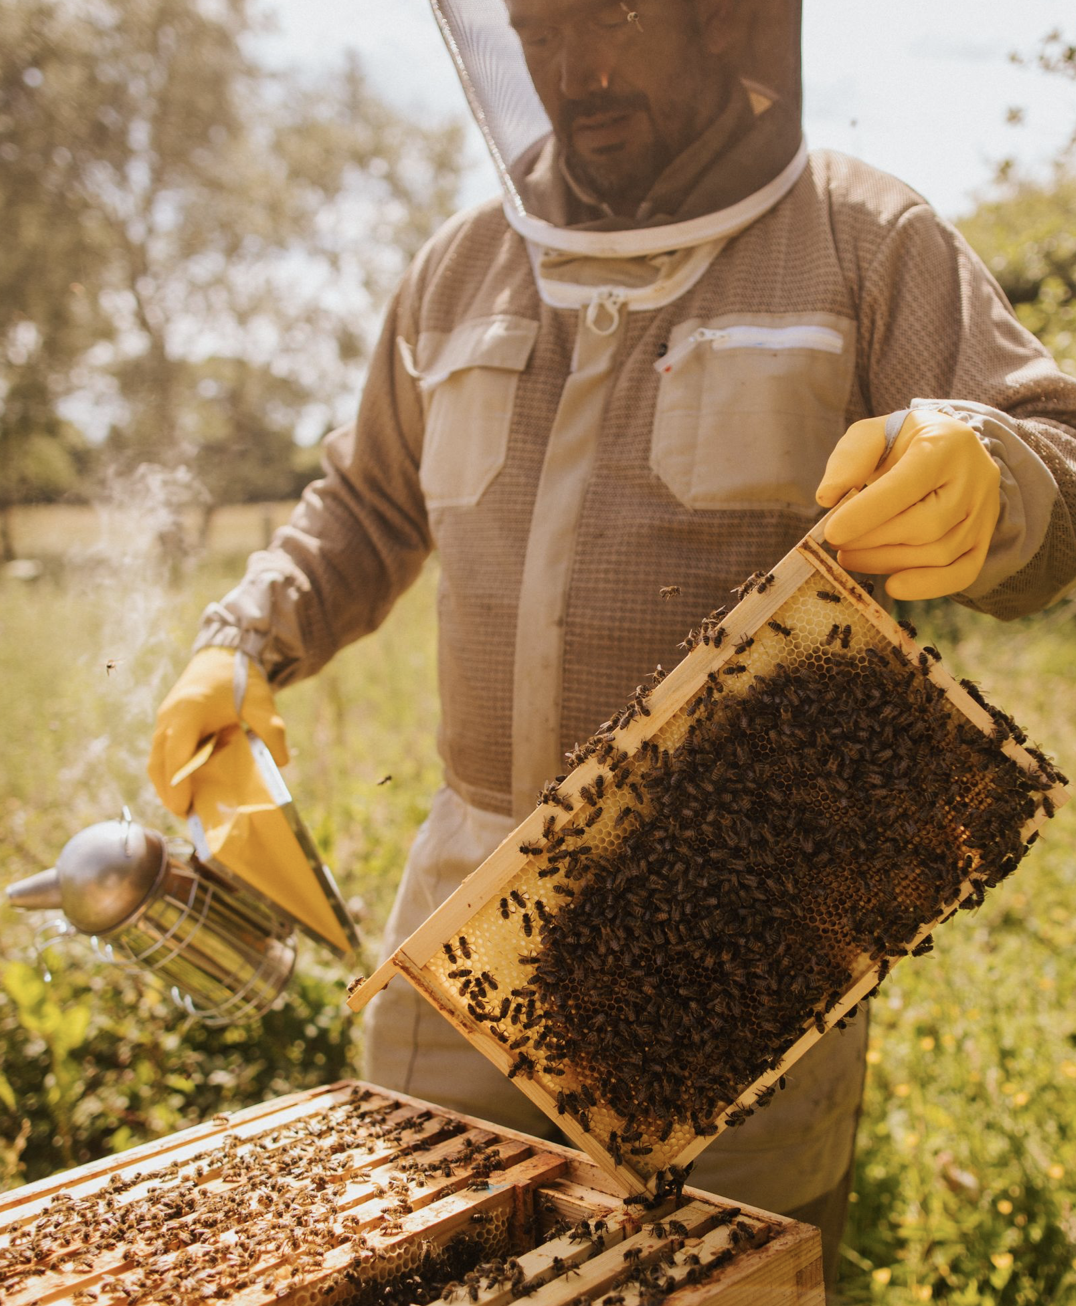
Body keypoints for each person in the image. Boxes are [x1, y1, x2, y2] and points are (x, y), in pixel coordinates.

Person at [148, 0, 1076, 1293]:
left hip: (746, 945)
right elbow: (362, 506)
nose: (575, 67)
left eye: (616, 15)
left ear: (720, 19)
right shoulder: (459, 267)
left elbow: (1053, 449)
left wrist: (1001, 478)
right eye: (539, 27)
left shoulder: (867, 239)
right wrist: (243, 639)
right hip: (466, 937)